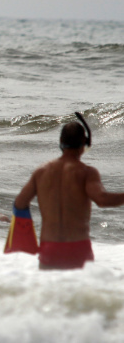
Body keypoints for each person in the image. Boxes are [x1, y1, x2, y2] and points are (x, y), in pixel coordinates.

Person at [14, 116, 124, 270]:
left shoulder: (41, 172)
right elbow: (102, 199)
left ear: (60, 142)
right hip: (77, 248)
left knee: (51, 292)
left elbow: (20, 203)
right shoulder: (86, 172)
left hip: (49, 248)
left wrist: (25, 239)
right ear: (85, 143)